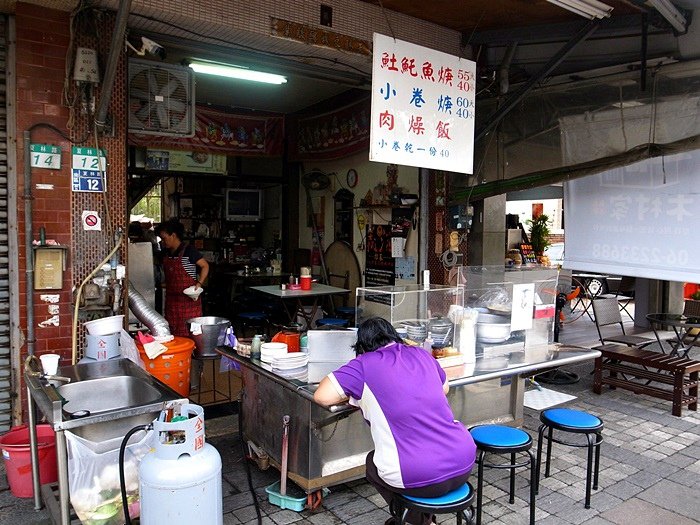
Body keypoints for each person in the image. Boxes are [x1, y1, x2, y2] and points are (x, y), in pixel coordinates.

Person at [314, 317, 476, 525]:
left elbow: (322, 396)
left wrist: (359, 394)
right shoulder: (421, 354)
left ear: (362, 346)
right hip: (463, 460)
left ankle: (419, 522)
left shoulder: (363, 365)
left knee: (373, 465)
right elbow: (444, 389)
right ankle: (423, 520)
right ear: (393, 335)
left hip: (418, 474)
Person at [156, 218, 209, 337]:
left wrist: (199, 283)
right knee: (173, 333)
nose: (163, 242)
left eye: (164, 238)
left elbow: (205, 266)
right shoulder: (165, 253)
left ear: (173, 235)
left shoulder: (189, 251)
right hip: (172, 302)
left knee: (190, 333)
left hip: (189, 302)